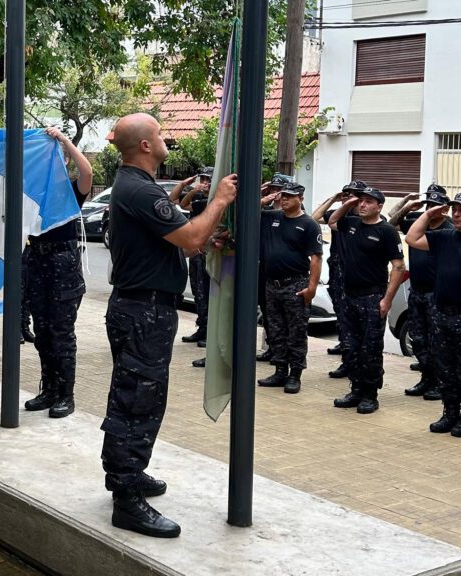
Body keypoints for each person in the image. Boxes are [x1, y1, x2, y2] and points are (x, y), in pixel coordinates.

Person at [101, 112, 237, 538]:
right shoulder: (140, 190)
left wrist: (206, 239)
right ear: (145, 145)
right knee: (137, 400)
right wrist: (219, 201)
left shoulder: (135, 186)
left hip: (142, 308)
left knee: (136, 396)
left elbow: (180, 244)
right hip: (143, 312)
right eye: (160, 134)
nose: (165, 139)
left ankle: (125, 472)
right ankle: (126, 497)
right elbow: (190, 237)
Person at [22, 127, 93, 419]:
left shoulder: (70, 191)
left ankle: (66, 394)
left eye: (55, 158)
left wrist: (64, 141)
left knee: (61, 332)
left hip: (63, 264)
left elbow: (87, 172)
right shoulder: (33, 190)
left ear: (64, 161)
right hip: (36, 261)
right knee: (42, 332)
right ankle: (49, 389)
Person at [328, 187, 405, 414]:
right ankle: (356, 390)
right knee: (350, 348)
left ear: (379, 206)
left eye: (368, 202)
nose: (362, 205)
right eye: (361, 201)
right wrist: (348, 203)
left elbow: (398, 267)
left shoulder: (386, 231)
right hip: (349, 296)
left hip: (372, 297)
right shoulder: (352, 224)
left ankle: (370, 395)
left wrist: (387, 300)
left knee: (370, 349)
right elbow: (332, 221)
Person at [405, 192, 461, 435]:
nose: (456, 214)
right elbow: (412, 238)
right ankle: (449, 414)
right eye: (454, 210)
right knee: (445, 370)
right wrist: (429, 213)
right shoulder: (445, 237)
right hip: (442, 314)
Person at [256, 181, 323, 394]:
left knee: (296, 332)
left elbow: (316, 258)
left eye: (289, 196)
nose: (284, 199)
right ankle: (280, 370)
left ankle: (295, 375)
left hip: (295, 284)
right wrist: (263, 197)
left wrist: (311, 287)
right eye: (282, 195)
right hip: (272, 284)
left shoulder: (308, 224)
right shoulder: (272, 217)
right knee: (276, 331)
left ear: (300, 199)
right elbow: (246, 211)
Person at [390, 185, 453, 400]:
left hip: (437, 294)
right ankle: (427, 379)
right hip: (417, 291)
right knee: (418, 339)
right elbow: (391, 222)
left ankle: (439, 383)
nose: (430, 209)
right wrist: (408, 207)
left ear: (444, 209)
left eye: (435, 206)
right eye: (428, 205)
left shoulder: (449, 230)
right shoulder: (418, 224)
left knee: (438, 342)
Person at [311, 180, 368, 378]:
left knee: (356, 322)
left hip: (357, 275)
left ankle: (356, 361)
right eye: (347, 194)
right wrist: (334, 199)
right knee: (342, 316)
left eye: (354, 194)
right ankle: (347, 354)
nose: (349, 197)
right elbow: (315, 218)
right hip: (338, 271)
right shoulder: (340, 217)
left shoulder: (364, 219)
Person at [169, 167, 213, 349]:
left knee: (209, 293)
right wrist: (193, 190)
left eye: (208, 179)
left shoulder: (215, 200)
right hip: (195, 252)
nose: (204, 183)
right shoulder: (198, 197)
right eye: (202, 179)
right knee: (198, 292)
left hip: (209, 250)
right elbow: (181, 203)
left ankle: (210, 331)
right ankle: (201, 327)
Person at [256, 174, 291, 363]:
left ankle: (285, 353)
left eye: (280, 190)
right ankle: (273, 348)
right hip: (265, 268)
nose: (276, 193)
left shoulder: (292, 212)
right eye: (273, 189)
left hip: (286, 273)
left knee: (286, 316)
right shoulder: (266, 211)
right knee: (268, 311)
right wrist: (261, 193)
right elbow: (247, 210)